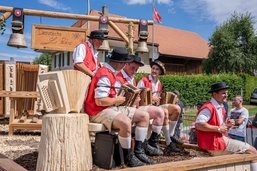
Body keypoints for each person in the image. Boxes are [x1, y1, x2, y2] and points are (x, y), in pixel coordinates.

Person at [84, 47, 155, 167]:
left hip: (108, 108)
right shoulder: (105, 74)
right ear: (119, 63)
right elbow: (100, 101)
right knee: (125, 122)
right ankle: (128, 157)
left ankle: (138, 151)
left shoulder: (110, 72)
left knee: (144, 116)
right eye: (125, 63)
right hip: (97, 111)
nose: (125, 66)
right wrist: (118, 99)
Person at [195, 82, 257, 170]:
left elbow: (220, 127)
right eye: (223, 93)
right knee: (253, 152)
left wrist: (227, 125)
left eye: (226, 93)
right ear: (214, 94)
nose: (226, 95)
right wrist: (218, 128)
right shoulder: (208, 107)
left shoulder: (220, 107)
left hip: (217, 141)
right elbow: (198, 125)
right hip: (214, 143)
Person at [116, 55, 165, 156]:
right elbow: (116, 99)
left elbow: (137, 97)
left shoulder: (132, 78)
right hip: (125, 108)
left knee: (163, 112)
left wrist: (136, 99)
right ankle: (140, 149)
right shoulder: (121, 77)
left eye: (136, 69)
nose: (134, 71)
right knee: (150, 114)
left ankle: (151, 144)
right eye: (132, 68)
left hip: (134, 107)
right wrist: (145, 99)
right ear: (126, 64)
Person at [137, 60, 182, 154]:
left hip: (156, 106)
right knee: (164, 112)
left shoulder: (159, 83)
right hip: (144, 106)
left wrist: (166, 99)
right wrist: (151, 98)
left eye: (157, 69)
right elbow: (138, 98)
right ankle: (166, 143)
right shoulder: (143, 80)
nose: (154, 70)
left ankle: (171, 136)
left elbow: (159, 99)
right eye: (153, 68)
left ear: (160, 72)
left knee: (177, 108)